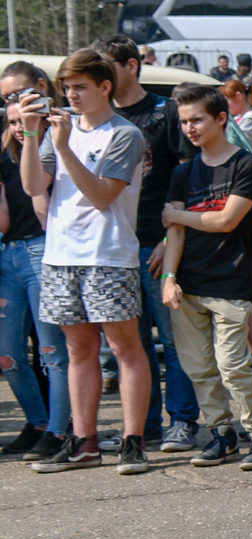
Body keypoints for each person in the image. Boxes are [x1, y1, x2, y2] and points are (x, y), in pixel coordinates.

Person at [20, 48, 152, 474]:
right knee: (79, 349)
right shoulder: (61, 131)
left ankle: (133, 441)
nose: (71, 95)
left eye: (80, 87)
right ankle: (84, 442)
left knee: (125, 347)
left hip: (108, 254)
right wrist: (31, 135)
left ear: (105, 87)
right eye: (66, 88)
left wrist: (63, 148)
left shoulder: (124, 134)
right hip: (61, 256)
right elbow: (33, 186)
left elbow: (101, 196)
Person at [156, 84, 252, 467]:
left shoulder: (246, 165)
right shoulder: (183, 172)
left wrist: (177, 214)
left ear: (221, 119)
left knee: (233, 367)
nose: (190, 128)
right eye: (184, 121)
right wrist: (169, 277)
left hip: (231, 283)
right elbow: (175, 233)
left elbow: (226, 220)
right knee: (199, 369)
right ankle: (221, 435)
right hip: (188, 285)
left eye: (197, 120)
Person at [100, 36, 196, 453]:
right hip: (114, 247)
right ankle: (143, 426)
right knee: (130, 344)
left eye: (107, 66)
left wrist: (169, 238)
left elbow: (187, 177)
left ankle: (184, 421)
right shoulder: (100, 117)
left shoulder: (166, 112)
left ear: (131, 66)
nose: (101, 77)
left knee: (174, 340)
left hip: (158, 243)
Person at [0, 62, 69, 457]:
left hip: (46, 250)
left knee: (52, 352)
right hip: (11, 254)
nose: (17, 124)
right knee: (9, 356)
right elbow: (5, 218)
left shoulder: (59, 140)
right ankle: (39, 422)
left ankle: (58, 431)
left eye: (22, 115)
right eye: (10, 119)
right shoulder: (8, 152)